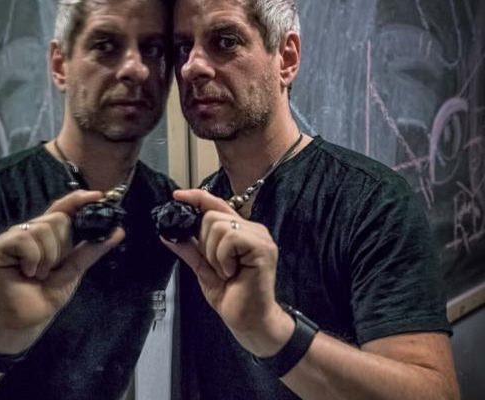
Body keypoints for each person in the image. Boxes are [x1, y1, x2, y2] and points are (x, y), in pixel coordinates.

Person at [164, 0, 461, 399]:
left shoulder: (371, 203)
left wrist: (272, 330)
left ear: (286, 58)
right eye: (183, 47)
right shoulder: (194, 213)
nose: (192, 67)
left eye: (225, 41)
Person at [0, 0, 175, 399]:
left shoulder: (167, 212)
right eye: (105, 46)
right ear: (60, 65)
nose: (135, 69)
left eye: (153, 49)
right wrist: (0, 331)